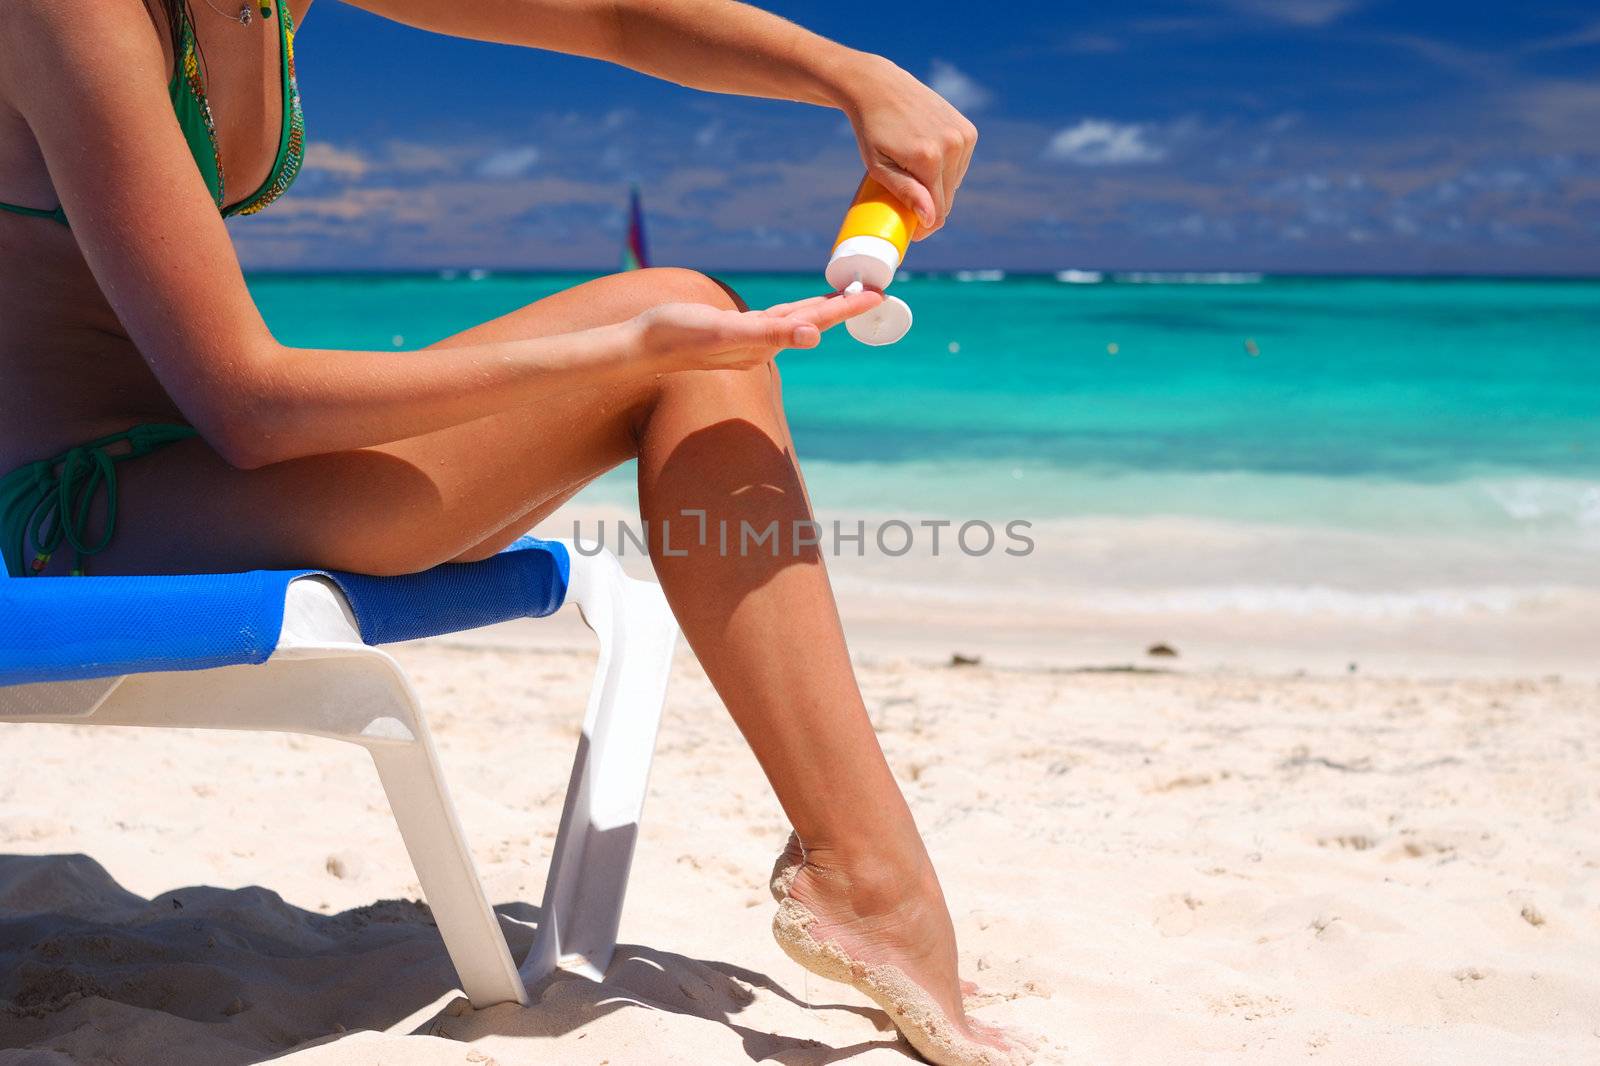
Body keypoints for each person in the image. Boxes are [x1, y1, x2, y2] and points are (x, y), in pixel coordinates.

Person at [0, 2, 1017, 1062]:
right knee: (683, 332)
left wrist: (852, 74)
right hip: (90, 507)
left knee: (691, 333)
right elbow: (251, 406)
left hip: (206, 472)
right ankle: (871, 877)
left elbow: (615, 18)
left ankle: (867, 870)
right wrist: (619, 350)